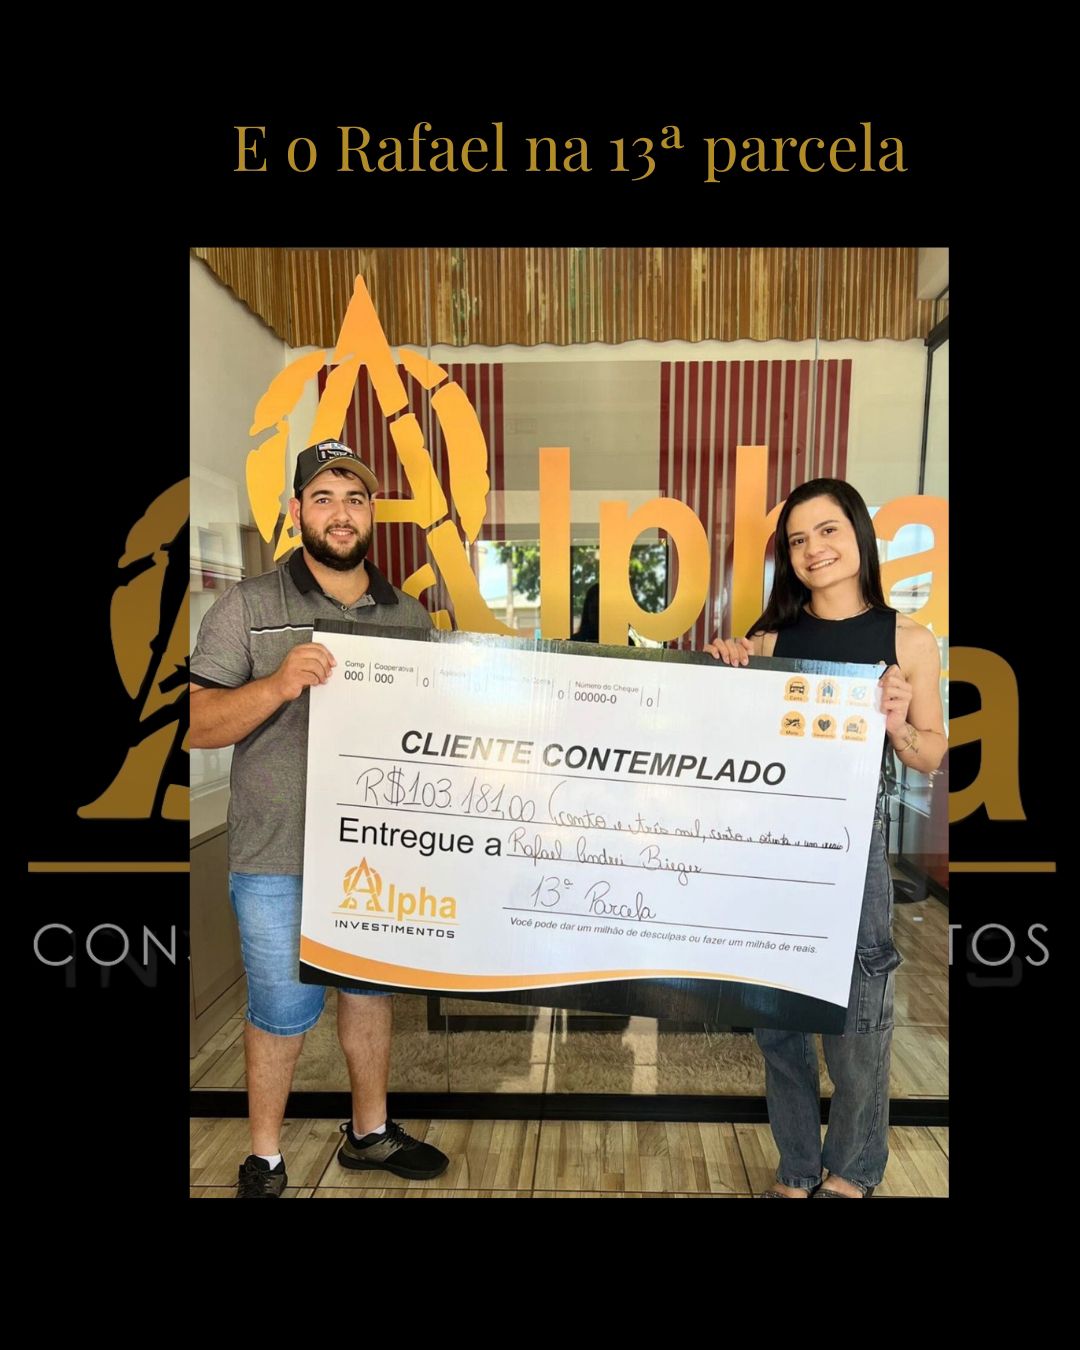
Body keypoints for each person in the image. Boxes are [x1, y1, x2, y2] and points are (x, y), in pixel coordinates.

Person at [191, 440, 450, 1197]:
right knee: (279, 1009)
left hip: (376, 854)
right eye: (325, 498)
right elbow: (195, 724)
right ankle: (265, 1157)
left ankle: (369, 1133)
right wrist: (276, 686)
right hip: (277, 857)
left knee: (369, 997)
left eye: (356, 499)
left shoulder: (407, 615)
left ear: (372, 514)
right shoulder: (246, 607)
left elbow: (435, 730)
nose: (342, 514)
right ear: (296, 510)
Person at [705, 477, 945, 1197]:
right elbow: (729, 746)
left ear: (860, 534)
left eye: (828, 530)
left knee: (860, 1015)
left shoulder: (908, 640)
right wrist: (725, 672)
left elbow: (930, 753)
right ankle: (797, 1168)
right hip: (771, 843)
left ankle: (853, 1170)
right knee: (777, 1015)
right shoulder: (770, 640)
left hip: (854, 846)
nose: (814, 549)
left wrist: (898, 723)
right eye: (798, 540)